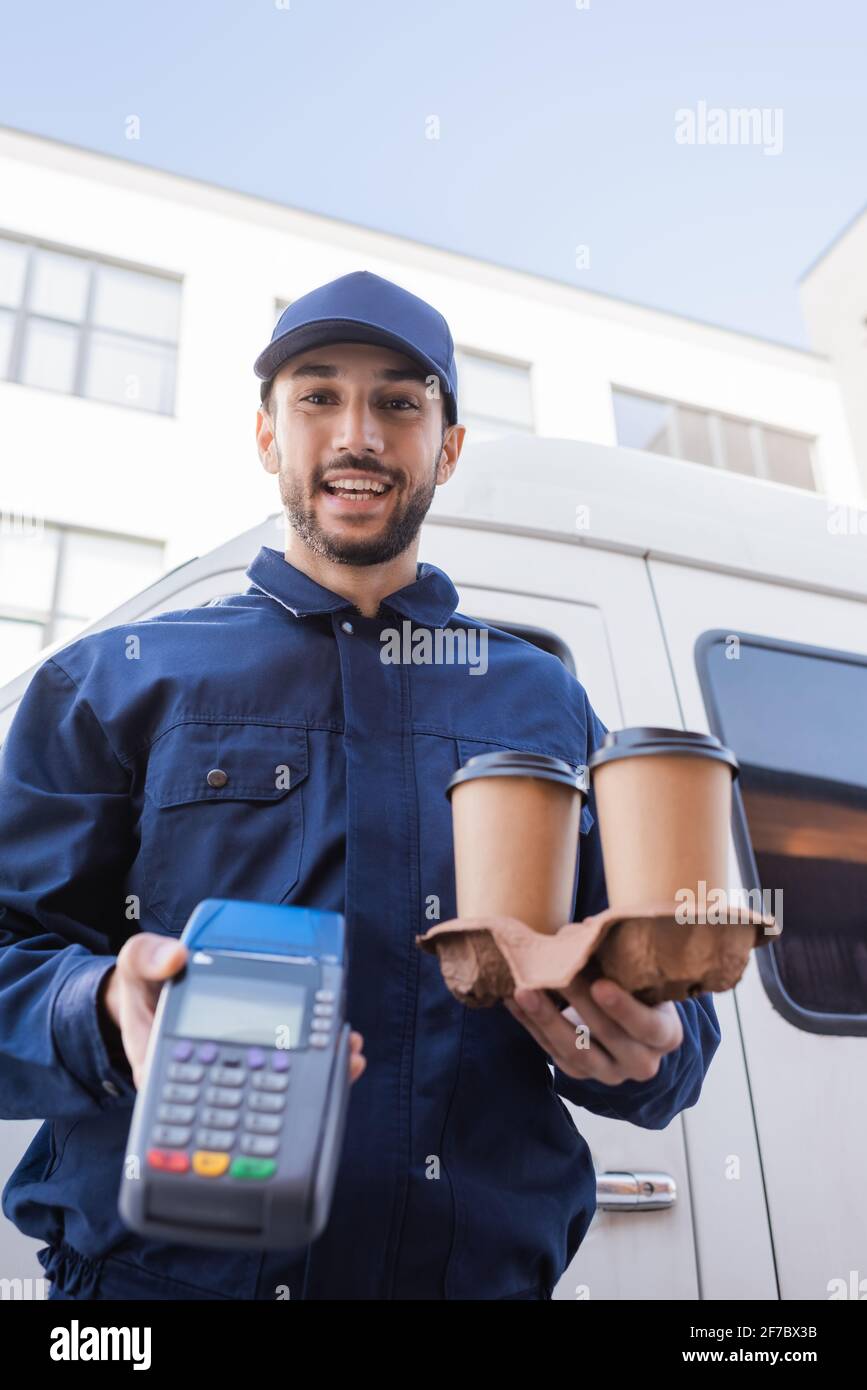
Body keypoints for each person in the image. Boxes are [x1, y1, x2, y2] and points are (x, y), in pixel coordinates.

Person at [0, 270, 720, 1300]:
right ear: (265, 434)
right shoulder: (116, 681)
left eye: (399, 402)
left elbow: (658, 989)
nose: (359, 435)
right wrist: (101, 1003)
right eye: (318, 396)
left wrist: (652, 1054)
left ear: (448, 447)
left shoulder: (540, 703)